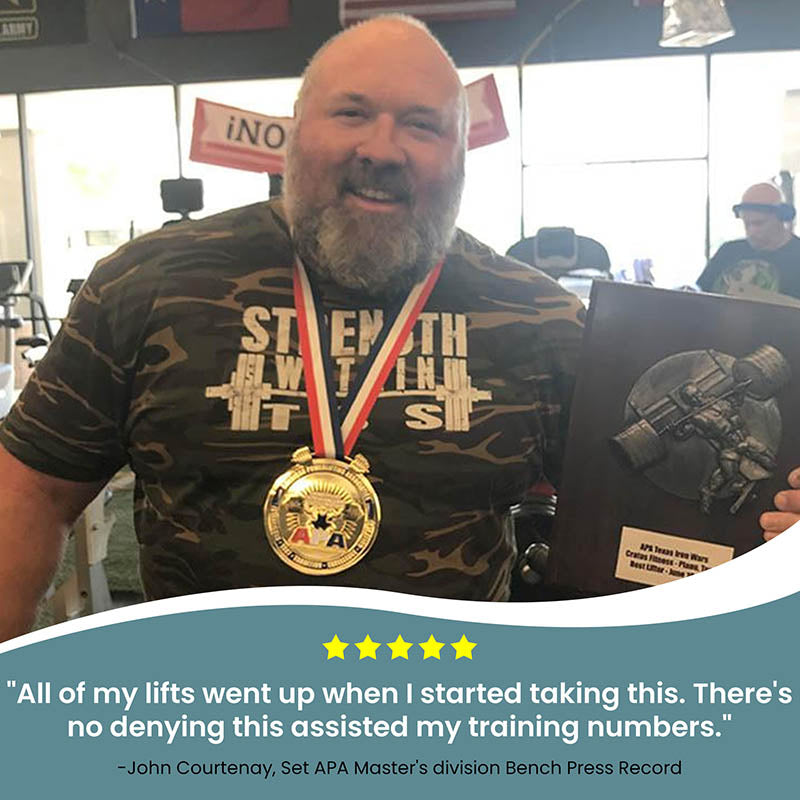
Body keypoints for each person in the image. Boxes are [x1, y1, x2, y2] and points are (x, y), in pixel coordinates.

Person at [0, 17, 797, 642]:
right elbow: (31, 487)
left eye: (422, 125)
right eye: (351, 113)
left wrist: (770, 539)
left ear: (461, 153)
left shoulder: (542, 320)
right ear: (294, 131)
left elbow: (651, 520)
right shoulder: (148, 284)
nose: (381, 149)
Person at [697, 182, 800, 300]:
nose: (751, 232)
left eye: (759, 223)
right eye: (746, 224)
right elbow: (699, 293)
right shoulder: (728, 251)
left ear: (783, 217)